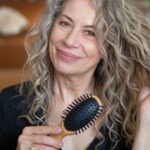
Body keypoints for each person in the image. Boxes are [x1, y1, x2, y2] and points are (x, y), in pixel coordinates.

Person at [0, 0, 150, 149]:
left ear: (109, 47)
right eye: (65, 23)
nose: (70, 41)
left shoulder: (129, 114)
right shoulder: (7, 103)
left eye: (90, 32)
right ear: (50, 26)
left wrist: (145, 122)